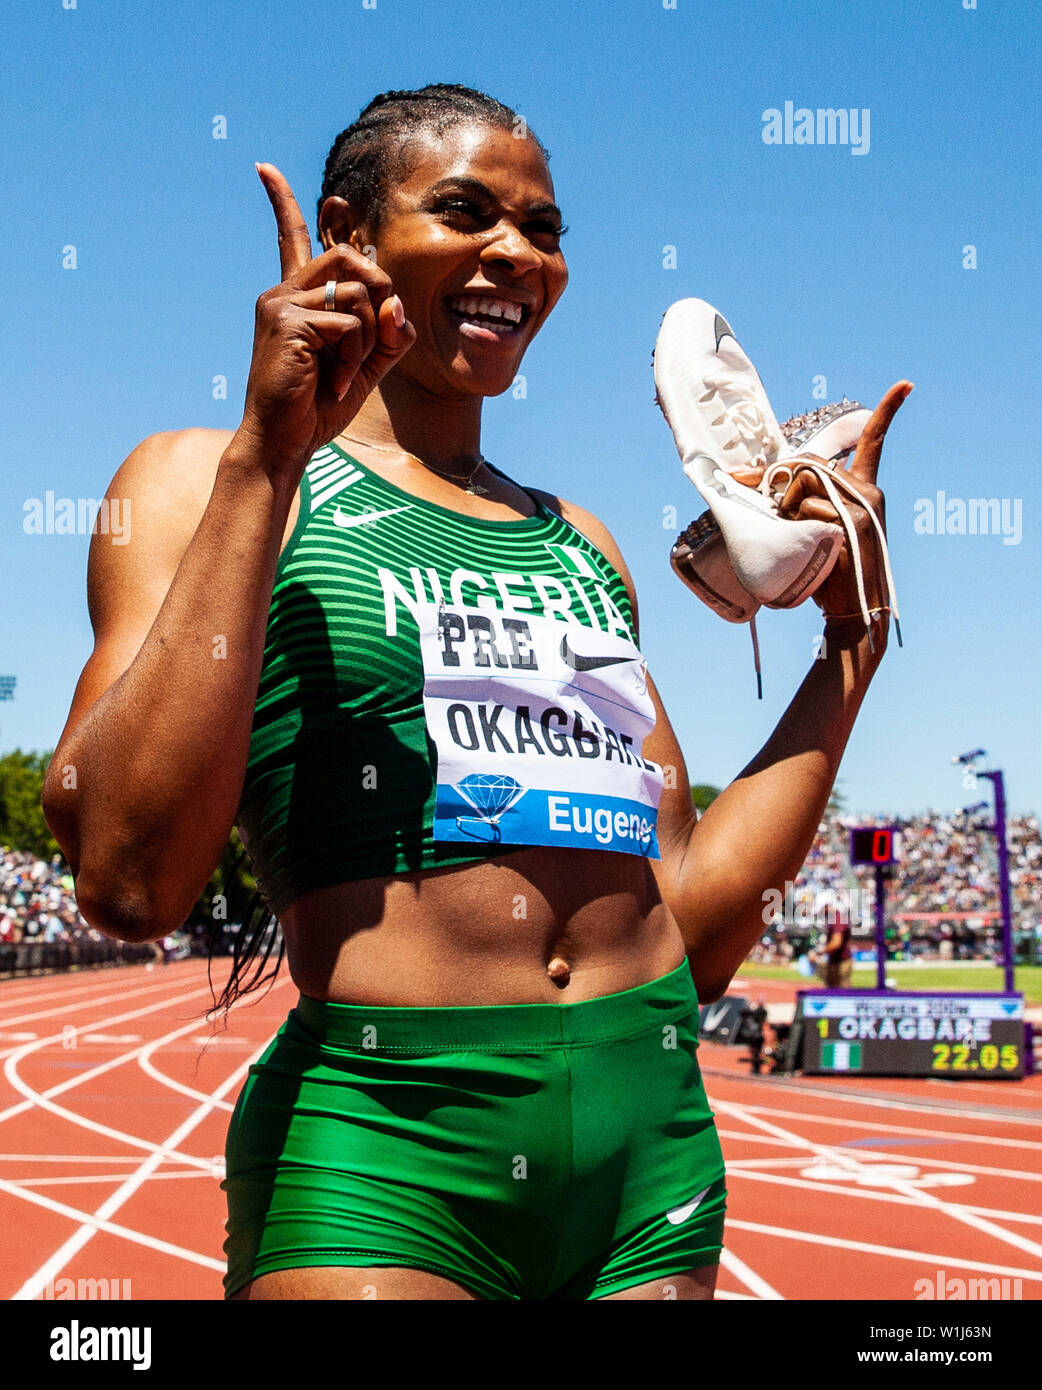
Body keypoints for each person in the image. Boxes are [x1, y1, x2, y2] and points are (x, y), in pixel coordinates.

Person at [42, 84, 909, 1301]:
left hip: (648, 1145)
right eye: (464, 212)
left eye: (544, 230)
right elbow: (130, 878)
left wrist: (851, 640)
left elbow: (693, 931)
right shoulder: (203, 478)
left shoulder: (581, 547)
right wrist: (267, 455)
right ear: (346, 233)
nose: (517, 254)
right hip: (388, 1146)